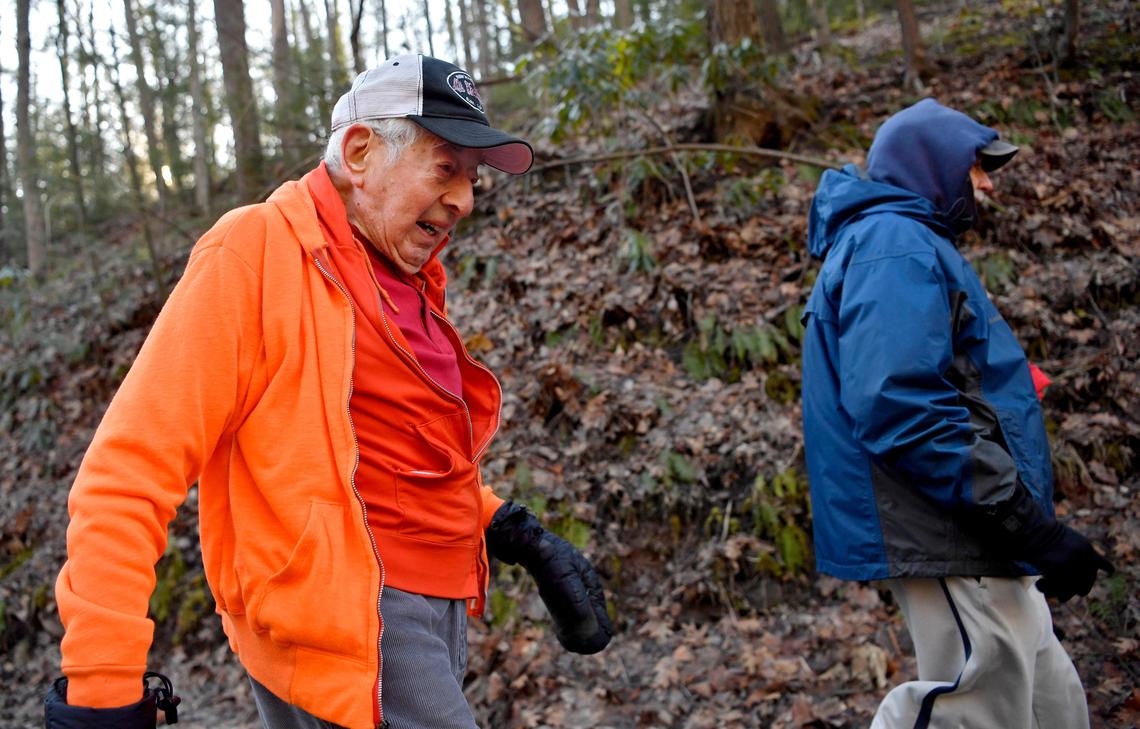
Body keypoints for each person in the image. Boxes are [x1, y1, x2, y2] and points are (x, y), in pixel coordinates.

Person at [45, 53, 612, 729]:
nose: (465, 197)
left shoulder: (403, 276)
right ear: (360, 151)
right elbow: (130, 466)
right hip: (357, 619)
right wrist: (102, 683)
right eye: (446, 166)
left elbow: (376, 451)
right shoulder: (255, 253)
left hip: (435, 611)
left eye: (474, 177)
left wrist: (508, 527)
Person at [799, 98, 1113, 728]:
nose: (988, 182)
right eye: (977, 166)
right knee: (973, 709)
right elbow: (902, 406)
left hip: (974, 529)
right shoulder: (893, 242)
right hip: (948, 529)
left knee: (1051, 704)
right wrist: (1028, 526)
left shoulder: (908, 243)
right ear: (931, 165)